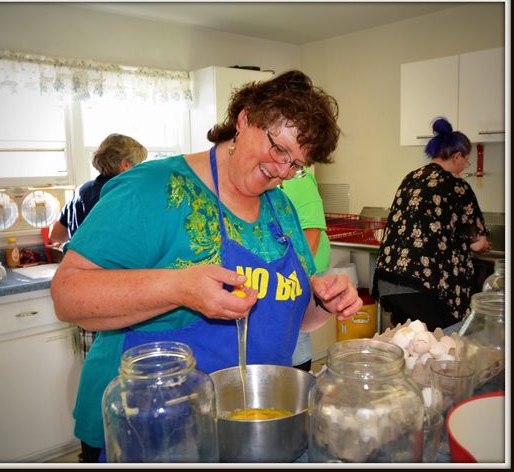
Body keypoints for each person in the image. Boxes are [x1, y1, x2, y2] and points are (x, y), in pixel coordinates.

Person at [51, 70, 362, 463]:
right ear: (245, 119)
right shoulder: (153, 188)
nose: (283, 171)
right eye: (279, 149)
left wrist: (323, 301)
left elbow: (290, 318)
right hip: (154, 429)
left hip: (247, 428)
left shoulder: (279, 207)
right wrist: (179, 288)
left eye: (297, 164)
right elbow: (68, 295)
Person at [372, 117, 490, 332]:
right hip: (428, 286)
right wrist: (484, 245)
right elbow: (476, 243)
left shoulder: (411, 177)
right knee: (439, 348)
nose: (465, 166)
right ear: (457, 156)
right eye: (466, 160)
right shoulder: (457, 186)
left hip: (391, 281)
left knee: (408, 345)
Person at [49, 133, 147, 359]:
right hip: (112, 293)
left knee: (94, 363)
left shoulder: (82, 190)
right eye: (138, 165)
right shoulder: (123, 194)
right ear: (125, 165)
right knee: (118, 367)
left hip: (84, 294)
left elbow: (57, 234)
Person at [281, 169, 331, 372]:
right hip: (286, 268)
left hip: (303, 269)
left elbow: (312, 232)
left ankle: (298, 381)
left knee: (295, 329)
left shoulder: (298, 179)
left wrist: (296, 275)